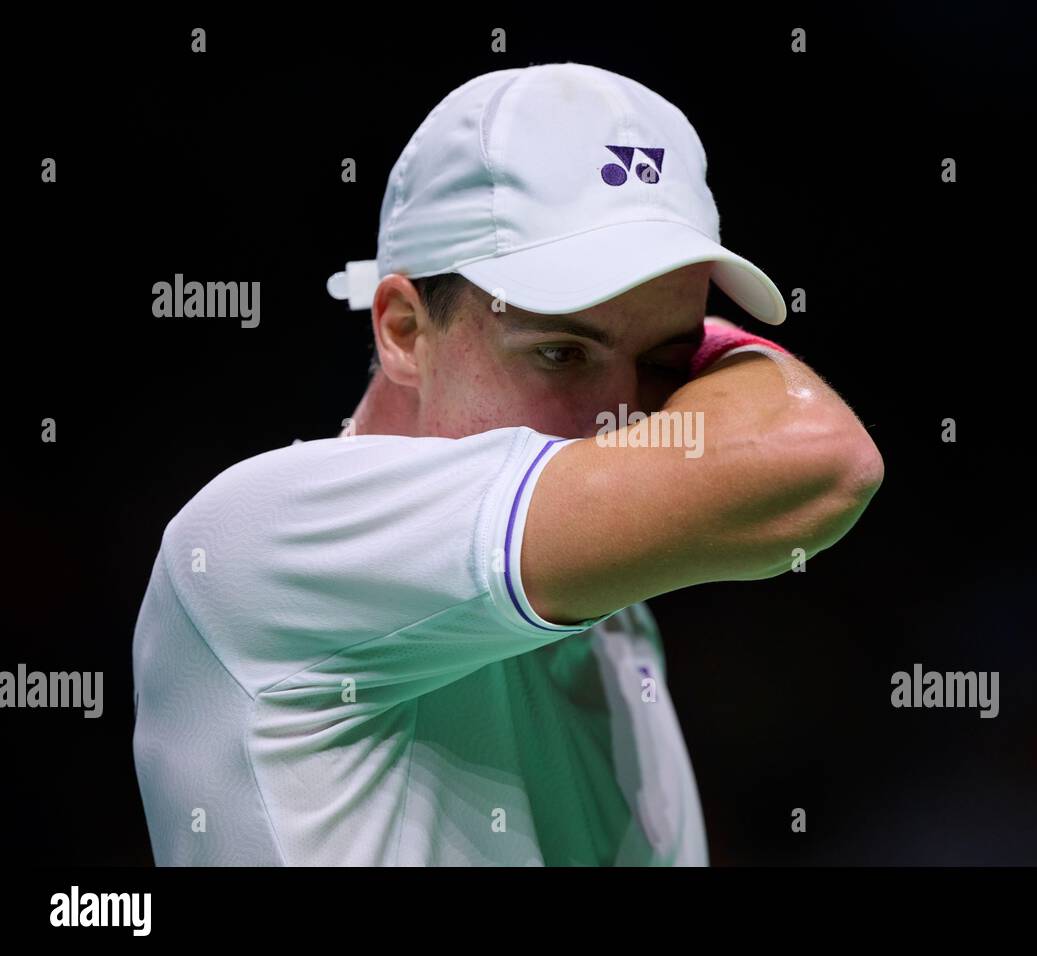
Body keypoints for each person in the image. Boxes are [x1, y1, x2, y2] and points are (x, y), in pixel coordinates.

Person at [131, 62, 883, 865]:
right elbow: (822, 460)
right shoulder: (263, 537)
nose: (623, 414)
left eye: (667, 361)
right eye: (561, 352)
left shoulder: (617, 617)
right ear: (403, 331)